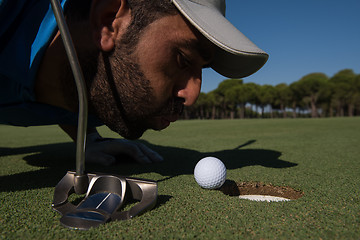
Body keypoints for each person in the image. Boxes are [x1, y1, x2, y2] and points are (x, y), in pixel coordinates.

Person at [0, 0, 268, 166]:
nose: (193, 95)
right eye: (183, 59)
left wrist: (87, 140)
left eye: (203, 69)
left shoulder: (96, 88)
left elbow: (71, 77)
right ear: (108, 21)